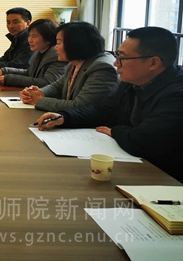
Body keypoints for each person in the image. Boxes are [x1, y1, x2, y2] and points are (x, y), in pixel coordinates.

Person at [36, 27, 183, 182]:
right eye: (117, 55)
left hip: (164, 179)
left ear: (153, 63)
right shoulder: (132, 81)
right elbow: (104, 109)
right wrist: (65, 117)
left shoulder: (177, 95)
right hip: (134, 166)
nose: (116, 63)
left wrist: (114, 131)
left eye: (122, 58)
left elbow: (140, 141)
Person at [20, 21, 118, 111]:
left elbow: (79, 106)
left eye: (58, 43)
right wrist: (36, 93)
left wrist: (39, 100)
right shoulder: (76, 61)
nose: (55, 48)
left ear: (75, 44)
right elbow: (58, 86)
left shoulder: (102, 68)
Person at [0, 19, 66, 88]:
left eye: (34, 36)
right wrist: (4, 71)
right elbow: (29, 73)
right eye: (29, 35)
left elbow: (47, 82)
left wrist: (9, 79)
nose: (29, 40)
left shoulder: (56, 55)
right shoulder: (39, 52)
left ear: (48, 38)